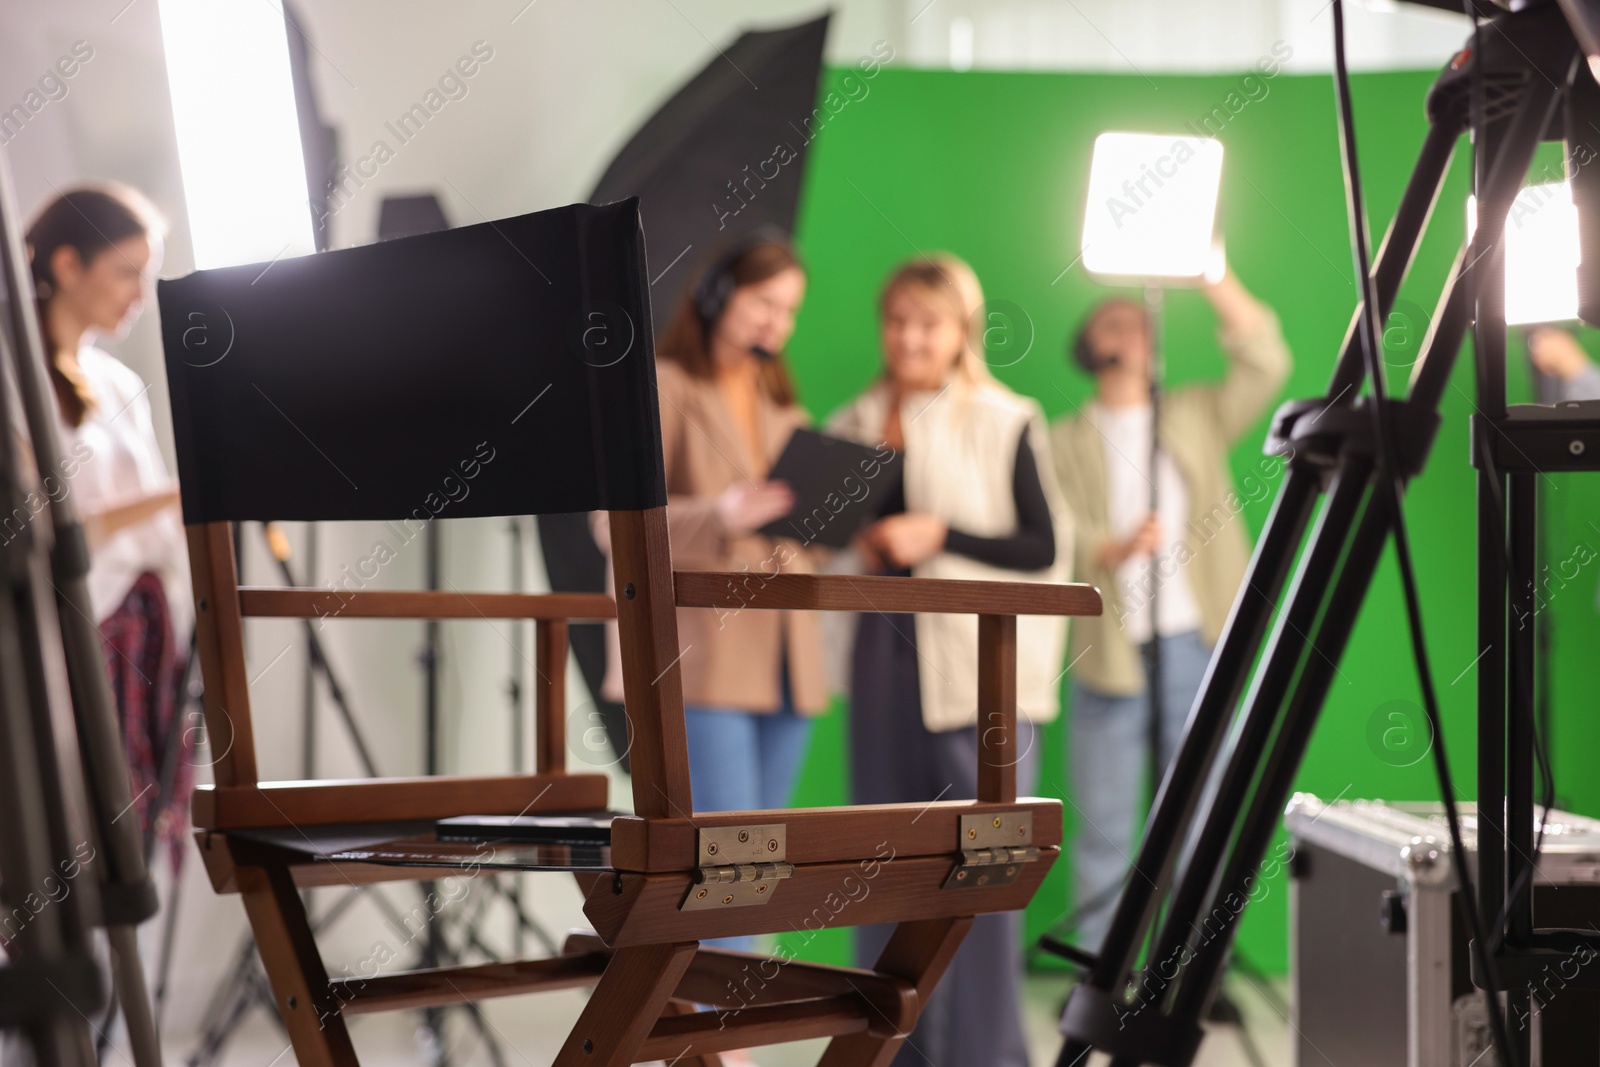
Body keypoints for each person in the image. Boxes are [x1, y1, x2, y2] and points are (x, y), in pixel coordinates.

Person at [828, 255, 1073, 1067]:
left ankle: (984, 1055)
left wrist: (939, 534)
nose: (908, 337)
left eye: (927, 322)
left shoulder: (1006, 418)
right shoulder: (851, 419)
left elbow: (1042, 547)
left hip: (979, 668)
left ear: (960, 329)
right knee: (882, 862)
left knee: (979, 868)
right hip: (882, 654)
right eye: (896, 320)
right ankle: (893, 1052)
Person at [1050, 269, 1290, 952]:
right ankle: (1101, 970)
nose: (1132, 331)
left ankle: (1192, 971)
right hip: (1111, 648)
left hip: (1196, 638)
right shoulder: (1064, 437)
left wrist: (1211, 273)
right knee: (1103, 820)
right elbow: (1058, 530)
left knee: (1205, 809)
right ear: (1089, 345)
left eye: (1141, 322)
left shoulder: (1192, 412)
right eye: (1113, 322)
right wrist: (1112, 545)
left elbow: (1266, 357)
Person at [26, 183, 192, 869]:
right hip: (60, 642)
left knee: (122, 851)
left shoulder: (118, 381)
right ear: (68, 265)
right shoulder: (17, 376)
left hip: (140, 643)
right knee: (53, 840)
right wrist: (177, 496)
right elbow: (41, 529)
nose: (139, 295)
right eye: (127, 272)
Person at [1527, 325, 1600, 402]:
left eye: (1538, 342)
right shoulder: (1570, 388)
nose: (1535, 356)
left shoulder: (1590, 386)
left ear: (1563, 336)